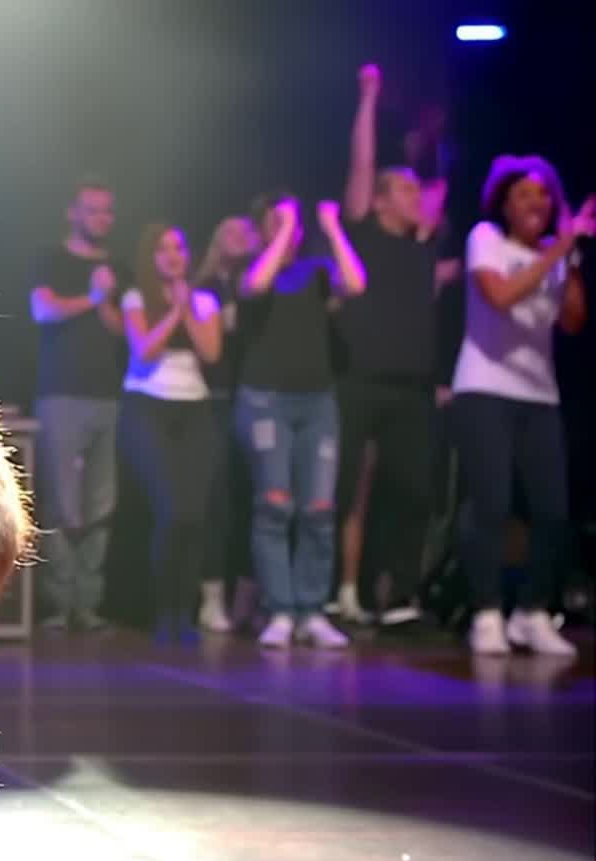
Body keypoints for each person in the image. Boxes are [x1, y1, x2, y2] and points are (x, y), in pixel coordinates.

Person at [454, 156, 591, 656]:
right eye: (524, 195)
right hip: (483, 387)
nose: (537, 203)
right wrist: (561, 247)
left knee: (553, 509)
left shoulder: (555, 257)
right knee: (490, 503)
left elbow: (574, 320)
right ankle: (486, 611)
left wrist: (570, 258)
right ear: (505, 204)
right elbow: (501, 296)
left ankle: (531, 613)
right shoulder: (485, 238)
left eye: (544, 195)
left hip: (540, 395)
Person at [331, 63, 452, 627]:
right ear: (379, 201)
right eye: (404, 188)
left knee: (415, 491)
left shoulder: (425, 248)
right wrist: (368, 99)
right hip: (360, 380)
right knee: (345, 488)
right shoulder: (367, 232)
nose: (416, 196)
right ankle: (338, 592)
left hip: (413, 389)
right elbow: (362, 165)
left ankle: (400, 596)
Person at [234, 192, 366, 649]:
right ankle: (279, 610)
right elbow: (256, 286)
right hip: (266, 401)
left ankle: (311, 609)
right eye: (273, 222)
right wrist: (284, 229)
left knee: (319, 510)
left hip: (317, 405)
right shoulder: (254, 270)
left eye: (289, 222)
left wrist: (332, 229)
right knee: (274, 506)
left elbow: (356, 282)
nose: (285, 228)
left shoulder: (316, 273)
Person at [117, 224, 223, 640]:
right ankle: (165, 612)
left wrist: (188, 308)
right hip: (148, 406)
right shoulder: (136, 297)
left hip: (194, 407)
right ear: (151, 256)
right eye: (163, 249)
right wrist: (175, 312)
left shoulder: (205, 300)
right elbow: (144, 350)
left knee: (194, 516)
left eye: (179, 247)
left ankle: (186, 614)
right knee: (171, 510)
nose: (173, 255)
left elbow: (212, 353)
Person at [29, 179, 125, 631]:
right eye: (93, 210)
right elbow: (43, 310)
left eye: (107, 211)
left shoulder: (118, 268)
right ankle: (57, 603)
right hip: (62, 394)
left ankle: (89, 604)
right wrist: (93, 296)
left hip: (109, 396)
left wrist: (106, 300)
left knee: (100, 504)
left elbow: (128, 331)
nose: (101, 218)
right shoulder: (53, 260)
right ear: (74, 213)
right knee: (63, 503)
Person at [192, 215, 259, 632]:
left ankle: (249, 601)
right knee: (216, 501)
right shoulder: (204, 289)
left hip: (257, 398)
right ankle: (211, 597)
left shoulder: (265, 287)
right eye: (229, 230)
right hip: (214, 402)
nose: (239, 237)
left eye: (246, 231)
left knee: (256, 499)